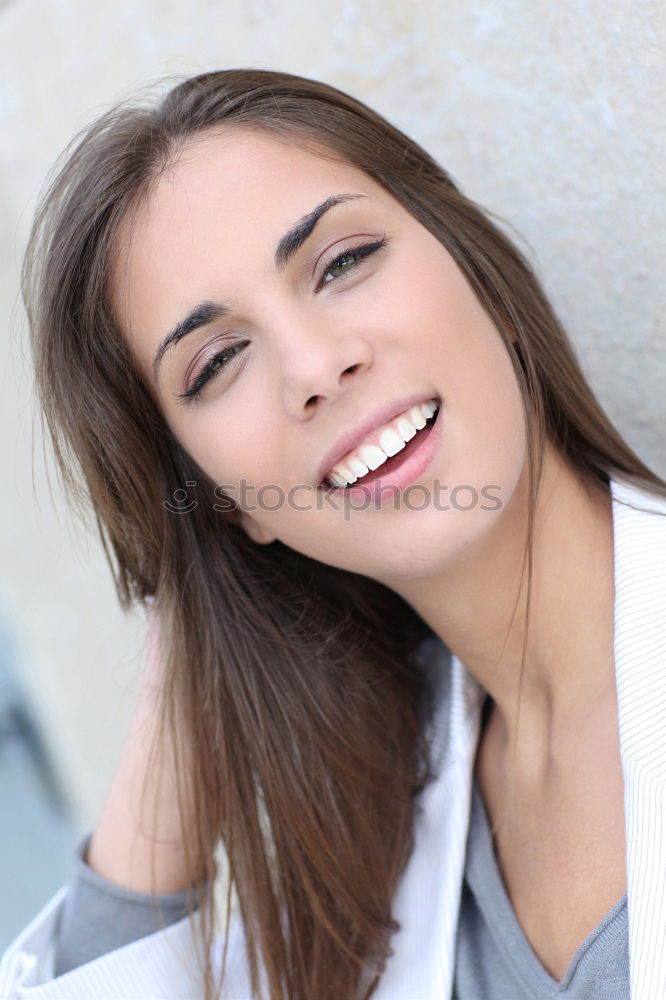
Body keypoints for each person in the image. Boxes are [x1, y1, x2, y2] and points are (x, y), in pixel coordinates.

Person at [1, 68, 664, 1000]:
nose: (316, 365)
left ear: (480, 275)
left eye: (343, 262)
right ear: (229, 503)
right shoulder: (374, 858)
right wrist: (187, 611)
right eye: (218, 362)